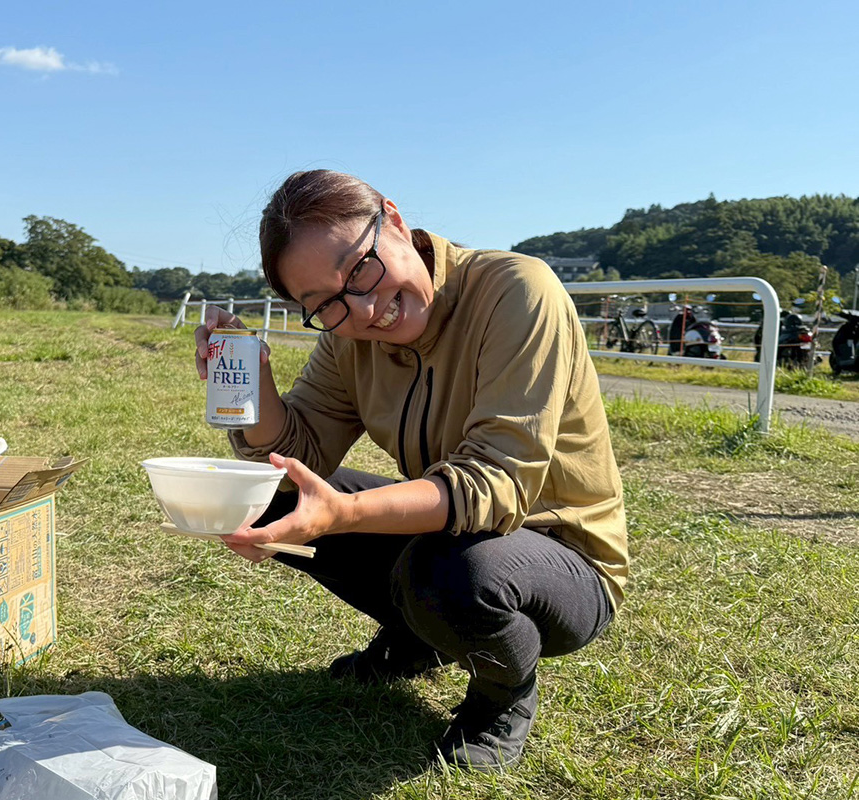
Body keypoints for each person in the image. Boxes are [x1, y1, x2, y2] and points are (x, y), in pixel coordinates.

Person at [193, 170, 628, 772]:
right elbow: (301, 453)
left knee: (452, 569)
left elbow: (497, 486)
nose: (363, 309)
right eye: (326, 305)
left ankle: (502, 694)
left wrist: (344, 514)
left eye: (360, 270)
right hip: (452, 530)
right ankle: (417, 636)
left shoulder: (515, 290)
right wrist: (255, 387)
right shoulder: (349, 335)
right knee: (269, 495)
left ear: (393, 220)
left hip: (561, 559)